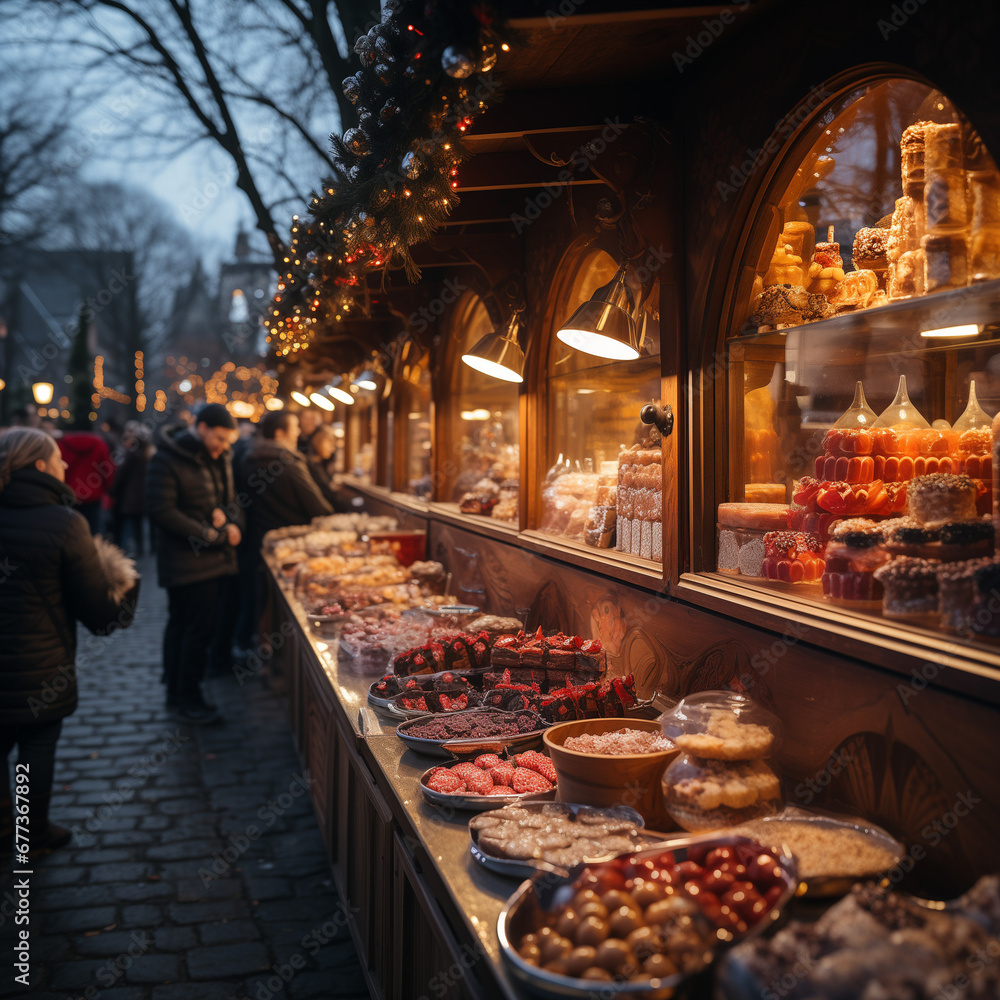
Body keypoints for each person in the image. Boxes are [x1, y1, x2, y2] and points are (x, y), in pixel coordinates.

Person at [0, 428, 139, 857]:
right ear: (40, 466)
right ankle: (32, 833)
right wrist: (127, 588)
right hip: (40, 666)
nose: (64, 466)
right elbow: (98, 613)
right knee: (36, 746)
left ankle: (5, 829)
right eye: (58, 459)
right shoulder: (66, 522)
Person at [145, 403, 242, 724]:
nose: (224, 446)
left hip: (214, 562)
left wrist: (229, 520)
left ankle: (177, 690)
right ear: (201, 428)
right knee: (193, 631)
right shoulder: (167, 458)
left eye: (228, 441)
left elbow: (231, 501)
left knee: (187, 628)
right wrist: (210, 534)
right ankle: (189, 697)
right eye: (219, 439)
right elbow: (161, 511)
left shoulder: (221, 457)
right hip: (186, 564)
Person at [232, 411, 333, 651]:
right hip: (292, 548)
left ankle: (251, 645)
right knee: (279, 611)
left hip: (258, 542)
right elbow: (318, 507)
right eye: (295, 426)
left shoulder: (247, 458)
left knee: (258, 601)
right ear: (280, 433)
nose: (298, 432)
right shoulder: (288, 461)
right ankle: (274, 655)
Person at [58, 420, 115, 533]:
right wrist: (108, 490)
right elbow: (106, 469)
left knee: (70, 533)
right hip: (93, 496)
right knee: (92, 533)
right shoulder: (99, 444)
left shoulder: (62, 444)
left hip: (69, 495)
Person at [111, 420, 155, 557]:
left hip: (132, 494)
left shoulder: (132, 453)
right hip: (145, 493)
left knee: (131, 524)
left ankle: (131, 549)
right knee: (141, 524)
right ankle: (146, 548)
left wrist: (113, 490)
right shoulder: (148, 451)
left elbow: (122, 473)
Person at [304, 424, 349, 512]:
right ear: (318, 441)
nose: (332, 449)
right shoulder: (311, 466)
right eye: (330, 443)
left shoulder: (320, 464)